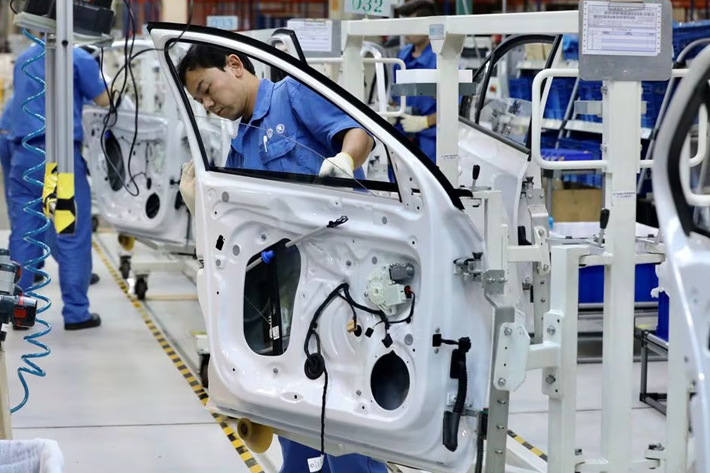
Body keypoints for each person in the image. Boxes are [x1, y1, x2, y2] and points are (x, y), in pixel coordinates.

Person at [176, 44, 386, 473]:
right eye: (199, 100)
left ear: (234, 65)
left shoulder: (293, 94)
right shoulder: (242, 145)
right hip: (288, 305)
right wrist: (200, 203)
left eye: (207, 89)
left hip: (342, 294)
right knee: (296, 427)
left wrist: (346, 160)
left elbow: (359, 132)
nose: (209, 104)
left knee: (346, 432)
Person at [8, 42, 110, 331]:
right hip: (59, 159)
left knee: (25, 232)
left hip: (25, 156)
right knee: (69, 233)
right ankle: (77, 313)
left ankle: (19, 310)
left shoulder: (24, 58)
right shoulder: (76, 57)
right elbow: (104, 101)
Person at [392, 0, 440, 163]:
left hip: (431, 144)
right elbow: (395, 96)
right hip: (401, 139)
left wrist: (425, 121)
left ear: (427, 27)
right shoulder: (402, 57)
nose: (406, 31)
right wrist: (391, 112)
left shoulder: (443, 60)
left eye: (411, 25)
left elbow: (456, 109)